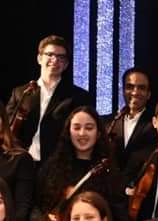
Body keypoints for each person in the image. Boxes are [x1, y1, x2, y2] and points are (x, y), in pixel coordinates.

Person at [7, 34, 93, 164]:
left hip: (58, 165)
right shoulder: (20, 93)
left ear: (66, 64)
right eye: (50, 54)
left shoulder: (79, 96)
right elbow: (6, 129)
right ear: (39, 58)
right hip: (22, 164)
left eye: (61, 57)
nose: (55, 60)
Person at [104, 67, 155, 172]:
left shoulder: (156, 125)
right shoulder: (108, 123)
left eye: (141, 88)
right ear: (123, 91)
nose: (135, 92)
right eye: (130, 87)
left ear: (149, 94)